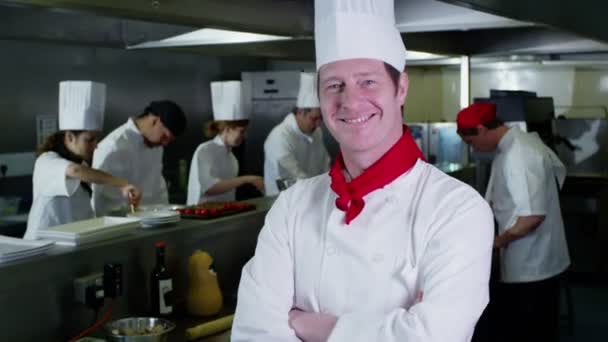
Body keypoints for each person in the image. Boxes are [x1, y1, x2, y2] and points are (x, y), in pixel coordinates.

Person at [231, 1, 494, 341]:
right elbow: (254, 332)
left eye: (367, 81)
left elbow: (434, 337)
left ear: (400, 89)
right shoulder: (291, 207)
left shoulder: (457, 209)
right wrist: (394, 328)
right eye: (334, 85)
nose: (350, 101)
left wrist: (308, 324)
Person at [456, 102, 570, 342]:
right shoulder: (520, 144)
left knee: (529, 330)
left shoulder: (518, 156)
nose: (474, 149)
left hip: (532, 265)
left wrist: (494, 243)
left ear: (480, 129)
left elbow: (531, 217)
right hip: (537, 261)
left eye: (471, 142)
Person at [25, 81, 140, 240]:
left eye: (96, 139)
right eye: (89, 140)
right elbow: (74, 171)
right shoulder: (47, 161)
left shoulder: (84, 166)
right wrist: (122, 182)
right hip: (40, 246)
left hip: (68, 244)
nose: (95, 146)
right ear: (70, 137)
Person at [91, 100, 186, 216]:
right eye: (165, 136)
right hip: (118, 225)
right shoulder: (113, 146)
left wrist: (165, 215)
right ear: (154, 121)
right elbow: (97, 198)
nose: (165, 143)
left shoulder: (156, 146)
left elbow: (158, 188)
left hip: (153, 223)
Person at [187, 81, 264, 204]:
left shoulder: (232, 158)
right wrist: (247, 179)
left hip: (223, 215)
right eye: (241, 131)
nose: (245, 136)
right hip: (203, 217)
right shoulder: (205, 150)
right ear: (227, 129)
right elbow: (209, 188)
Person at [263, 72, 331, 195]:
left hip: (311, 196)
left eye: (320, 119)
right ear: (300, 112)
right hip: (283, 202)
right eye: (314, 118)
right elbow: (292, 175)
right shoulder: (280, 136)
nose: (318, 124)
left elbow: (324, 164)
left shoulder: (316, 132)